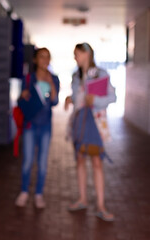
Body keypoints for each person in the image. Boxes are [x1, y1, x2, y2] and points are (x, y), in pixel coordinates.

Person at [64, 42, 116, 221]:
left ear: (86, 54)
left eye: (77, 53)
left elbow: (112, 97)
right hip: (79, 120)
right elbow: (77, 96)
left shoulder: (101, 74)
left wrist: (95, 99)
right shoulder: (75, 76)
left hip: (94, 120)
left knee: (96, 161)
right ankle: (82, 199)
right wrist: (70, 98)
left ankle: (101, 206)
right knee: (79, 159)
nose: (75, 57)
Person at [15, 48, 60, 208]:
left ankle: (39, 194)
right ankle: (24, 191)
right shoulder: (28, 79)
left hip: (46, 126)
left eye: (48, 57)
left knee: (42, 162)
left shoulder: (54, 78)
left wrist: (50, 84)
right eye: (42, 57)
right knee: (27, 161)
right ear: (35, 60)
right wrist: (23, 95)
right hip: (30, 125)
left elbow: (54, 102)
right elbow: (20, 100)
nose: (45, 60)